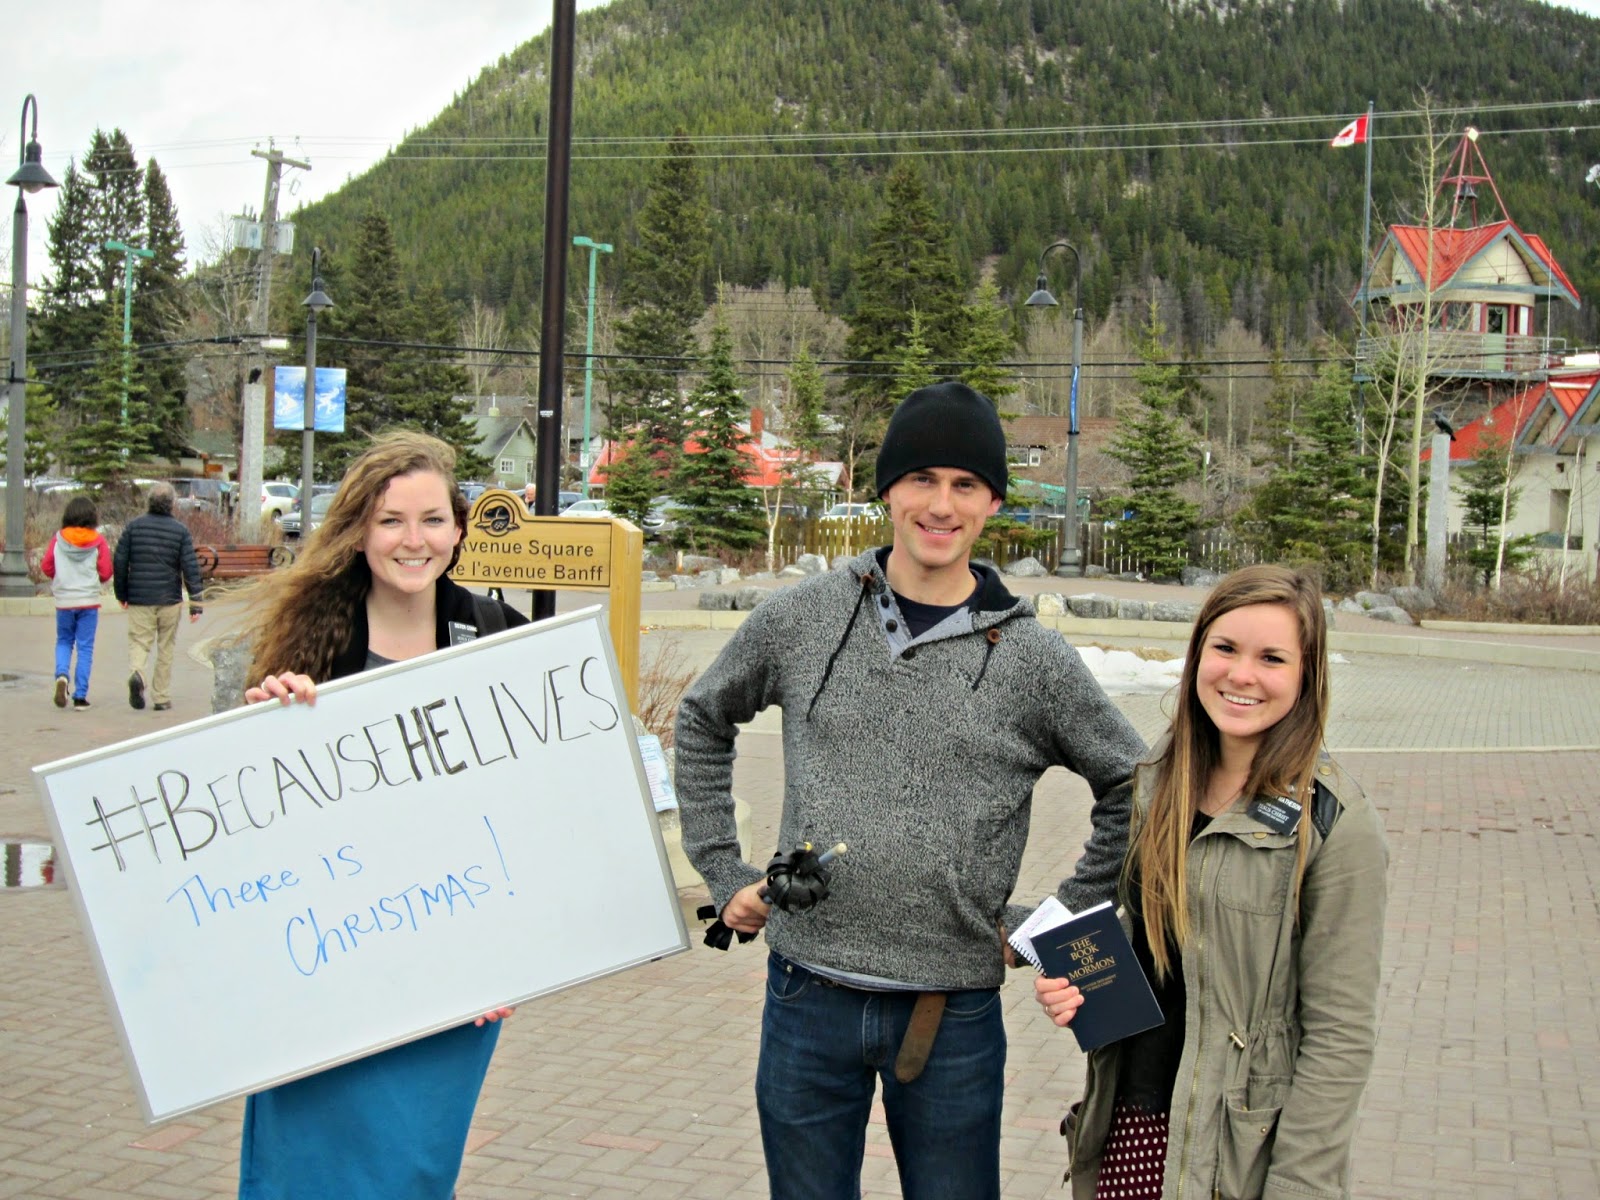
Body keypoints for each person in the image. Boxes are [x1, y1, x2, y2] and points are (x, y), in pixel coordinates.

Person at [674, 380, 1147, 1200]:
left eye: (965, 484)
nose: (941, 504)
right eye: (921, 479)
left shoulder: (1034, 661)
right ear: (888, 489)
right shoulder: (804, 619)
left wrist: (1055, 922)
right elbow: (702, 718)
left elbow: (1136, 786)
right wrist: (723, 870)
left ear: (993, 502)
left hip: (951, 1012)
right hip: (805, 994)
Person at [1035, 565, 1389, 1200]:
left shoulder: (1333, 822)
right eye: (1225, 648)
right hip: (1132, 1124)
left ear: (1307, 675)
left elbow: (1340, 1036)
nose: (1241, 675)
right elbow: (1159, 948)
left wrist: (1300, 1186)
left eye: (1272, 658)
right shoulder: (1159, 782)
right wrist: (1083, 985)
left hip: (1233, 1152)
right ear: (1198, 654)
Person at [236, 430, 525, 1200]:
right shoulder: (308, 646)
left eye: (432, 519)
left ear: (458, 530)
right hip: (324, 968)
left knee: (413, 1171)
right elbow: (254, 817)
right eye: (391, 520)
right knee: (306, 1169)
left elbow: (535, 816)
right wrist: (262, 723)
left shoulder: (500, 635)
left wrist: (518, 954)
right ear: (359, 532)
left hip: (451, 972)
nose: (412, 540)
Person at [113, 481, 204, 712]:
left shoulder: (134, 527)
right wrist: (196, 603)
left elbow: (120, 561)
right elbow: (190, 567)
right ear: (172, 504)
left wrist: (121, 593)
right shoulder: (180, 531)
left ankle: (137, 673)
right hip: (169, 599)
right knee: (166, 647)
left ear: (149, 502)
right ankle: (161, 697)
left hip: (140, 597)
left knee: (139, 642)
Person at [42, 495, 112, 710]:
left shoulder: (58, 539)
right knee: (85, 648)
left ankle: (62, 675)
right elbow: (106, 572)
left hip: (64, 601)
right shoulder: (98, 541)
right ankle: (80, 696)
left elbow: (46, 566)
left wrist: (61, 577)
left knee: (64, 641)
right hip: (88, 601)